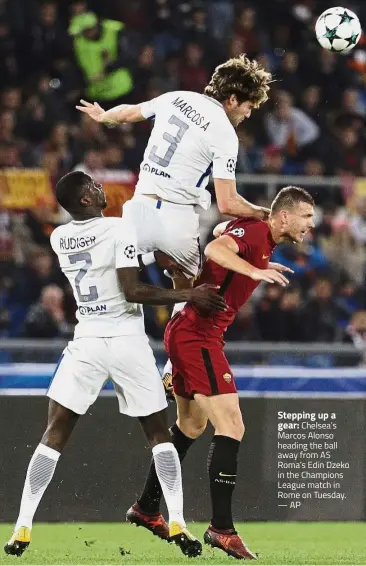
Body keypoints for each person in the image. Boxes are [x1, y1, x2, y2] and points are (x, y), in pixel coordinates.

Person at [4, 171, 227, 558]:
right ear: (86, 200)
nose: (100, 188)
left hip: (87, 341)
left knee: (54, 434)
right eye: (93, 186)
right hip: (126, 340)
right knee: (159, 433)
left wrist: (150, 255)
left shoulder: (60, 238)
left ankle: (21, 526)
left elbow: (105, 256)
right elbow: (132, 290)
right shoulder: (120, 228)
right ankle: (177, 519)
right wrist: (191, 293)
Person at [125, 186, 315, 559]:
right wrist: (253, 270)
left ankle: (146, 507)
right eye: (307, 216)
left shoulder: (261, 235)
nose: (312, 224)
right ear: (286, 216)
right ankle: (222, 529)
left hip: (188, 333)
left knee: (191, 426)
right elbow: (215, 248)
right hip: (198, 336)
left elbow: (218, 233)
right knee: (232, 426)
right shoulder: (260, 232)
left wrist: (256, 263)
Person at [77, 53, 273, 393]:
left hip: (138, 209)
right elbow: (228, 204)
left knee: (113, 280)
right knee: (194, 288)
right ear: (232, 99)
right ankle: (172, 370)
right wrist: (266, 214)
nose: (248, 113)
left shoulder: (176, 97)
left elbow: (129, 113)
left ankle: (96, 357)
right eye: (248, 106)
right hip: (177, 216)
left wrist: (103, 115)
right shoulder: (225, 133)